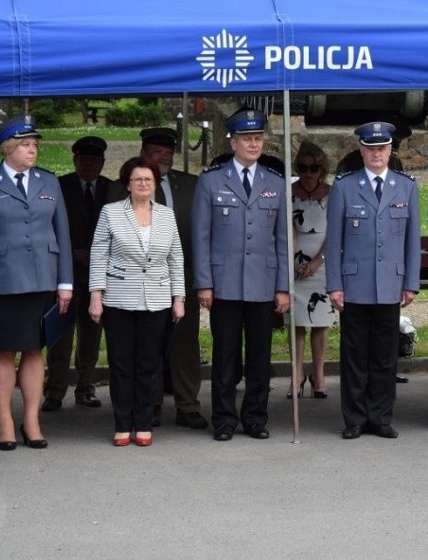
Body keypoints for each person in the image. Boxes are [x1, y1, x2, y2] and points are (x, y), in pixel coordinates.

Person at [0, 115, 74, 451]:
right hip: (2, 283)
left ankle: (31, 420)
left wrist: (65, 282)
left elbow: (63, 235)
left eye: (35, 145)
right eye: (26, 145)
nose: (32, 150)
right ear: (8, 149)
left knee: (33, 350)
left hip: (42, 279)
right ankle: (4, 420)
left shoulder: (48, 182)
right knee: (3, 352)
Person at [192, 108, 289, 442]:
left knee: (260, 357)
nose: (253, 144)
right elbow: (201, 236)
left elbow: (282, 240)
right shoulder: (211, 181)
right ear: (232, 142)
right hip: (225, 284)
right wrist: (204, 282)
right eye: (247, 138)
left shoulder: (275, 183)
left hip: (263, 283)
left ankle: (255, 418)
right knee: (225, 357)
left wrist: (283, 287)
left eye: (258, 138)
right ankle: (223, 419)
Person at [325, 121, 421, 439]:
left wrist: (411, 282)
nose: (376, 154)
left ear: (390, 150)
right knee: (354, 357)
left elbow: (411, 241)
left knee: (384, 357)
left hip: (390, 286)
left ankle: (380, 417)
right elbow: (334, 240)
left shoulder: (406, 187)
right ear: (361, 151)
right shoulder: (344, 187)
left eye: (382, 148)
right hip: (354, 285)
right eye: (370, 148)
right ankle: (354, 418)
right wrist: (334, 285)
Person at [108, 128, 204, 429]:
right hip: (137, 283)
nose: (162, 158)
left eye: (167, 153)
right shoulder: (122, 188)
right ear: (142, 152)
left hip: (181, 277)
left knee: (185, 343)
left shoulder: (191, 184)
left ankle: (187, 405)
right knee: (145, 349)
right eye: (155, 153)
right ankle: (149, 408)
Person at [88, 157, 185, 447]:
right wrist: (96, 297)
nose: (143, 184)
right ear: (127, 183)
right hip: (118, 299)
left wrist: (178, 298)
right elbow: (98, 255)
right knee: (121, 364)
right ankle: (122, 423)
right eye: (137, 179)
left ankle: (143, 423)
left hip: (156, 300)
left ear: (155, 183)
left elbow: (176, 258)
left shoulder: (167, 215)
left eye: (148, 179)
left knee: (149, 364)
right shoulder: (111, 212)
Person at [43, 136, 110, 412]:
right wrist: (72, 252)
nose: (89, 165)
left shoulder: (111, 188)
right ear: (75, 161)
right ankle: (55, 391)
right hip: (66, 271)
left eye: (94, 160)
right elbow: (48, 227)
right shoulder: (60, 187)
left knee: (91, 337)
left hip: (99, 273)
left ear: (102, 163)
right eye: (84, 160)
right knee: (60, 336)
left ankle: (85, 388)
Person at [287, 141, 336, 399]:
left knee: (320, 323)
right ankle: (296, 375)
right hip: (293, 262)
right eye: (303, 168)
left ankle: (318, 374)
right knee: (296, 323)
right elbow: (285, 229)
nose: (308, 173)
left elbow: (336, 232)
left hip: (323, 262)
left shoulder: (332, 192)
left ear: (322, 169)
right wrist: (293, 262)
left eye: (314, 168)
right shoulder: (288, 192)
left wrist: (318, 261)